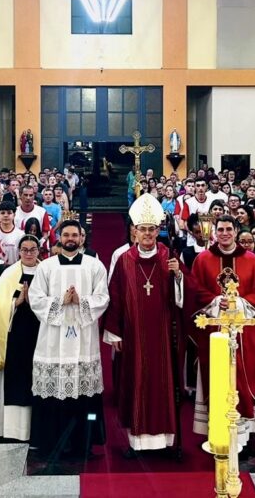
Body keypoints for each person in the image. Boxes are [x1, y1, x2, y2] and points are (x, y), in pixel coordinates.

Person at [104, 194, 184, 454]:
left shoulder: (168, 257)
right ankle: (136, 441)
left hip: (162, 335)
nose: (148, 234)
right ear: (134, 232)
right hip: (134, 335)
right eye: (143, 229)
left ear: (158, 231)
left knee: (163, 383)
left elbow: (183, 296)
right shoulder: (124, 260)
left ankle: (166, 441)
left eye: (152, 229)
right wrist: (114, 333)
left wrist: (179, 276)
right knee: (135, 383)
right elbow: (114, 296)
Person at [27, 220, 110, 457]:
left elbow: (103, 298)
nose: (70, 239)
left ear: (82, 238)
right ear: (59, 237)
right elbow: (35, 298)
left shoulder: (95, 266)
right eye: (66, 235)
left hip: (84, 339)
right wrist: (61, 301)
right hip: (52, 339)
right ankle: (51, 442)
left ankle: (83, 444)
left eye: (75, 235)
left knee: (84, 395)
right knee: (53, 394)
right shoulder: (46, 267)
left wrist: (81, 302)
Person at [190, 215, 255, 448]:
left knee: (242, 378)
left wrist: (240, 302)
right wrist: (216, 300)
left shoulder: (252, 260)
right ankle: (214, 432)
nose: (224, 233)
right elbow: (195, 290)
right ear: (215, 232)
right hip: (213, 330)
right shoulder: (203, 260)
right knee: (215, 377)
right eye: (221, 229)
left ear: (236, 232)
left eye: (229, 229)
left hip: (243, 332)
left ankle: (241, 437)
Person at [0, 236, 43, 441]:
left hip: (40, 333)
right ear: (19, 251)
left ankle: (38, 430)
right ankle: (14, 432)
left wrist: (36, 302)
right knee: (17, 377)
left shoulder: (45, 271)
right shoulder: (8, 274)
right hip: (16, 335)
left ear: (39, 250)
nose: (29, 253)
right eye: (24, 249)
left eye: (32, 249)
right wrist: (16, 301)